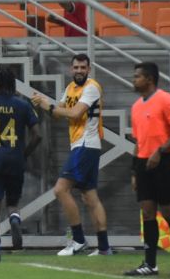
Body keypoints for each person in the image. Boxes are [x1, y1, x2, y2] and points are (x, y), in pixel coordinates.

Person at [31, 53, 112, 256]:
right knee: (90, 196)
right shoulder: (70, 88)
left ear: (89, 69)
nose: (79, 71)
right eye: (76, 67)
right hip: (82, 145)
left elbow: (74, 113)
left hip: (86, 144)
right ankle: (104, 248)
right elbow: (59, 111)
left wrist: (47, 106)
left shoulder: (91, 87)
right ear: (71, 69)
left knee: (60, 190)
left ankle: (78, 240)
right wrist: (43, 101)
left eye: (83, 68)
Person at [125, 62, 170, 276]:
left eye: (137, 76)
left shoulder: (165, 99)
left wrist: (160, 151)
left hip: (165, 163)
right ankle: (150, 264)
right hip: (144, 164)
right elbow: (137, 141)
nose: (134, 80)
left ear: (149, 79)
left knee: (168, 211)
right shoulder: (136, 106)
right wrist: (135, 171)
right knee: (147, 212)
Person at [0, 67, 40, 262]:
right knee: (13, 202)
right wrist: (24, 154)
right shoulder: (23, 105)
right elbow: (38, 135)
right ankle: (14, 219)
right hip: (16, 159)